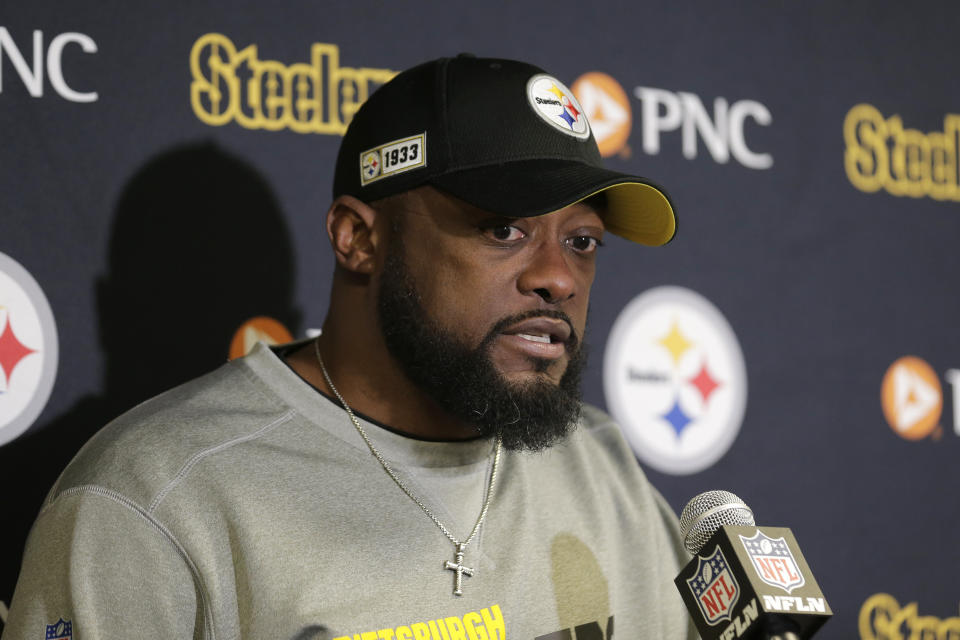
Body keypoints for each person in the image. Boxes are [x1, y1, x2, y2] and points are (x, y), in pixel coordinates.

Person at [3, 55, 695, 639]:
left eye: (581, 242)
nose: (557, 277)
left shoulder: (601, 464)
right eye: (503, 229)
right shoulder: (155, 498)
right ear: (358, 239)